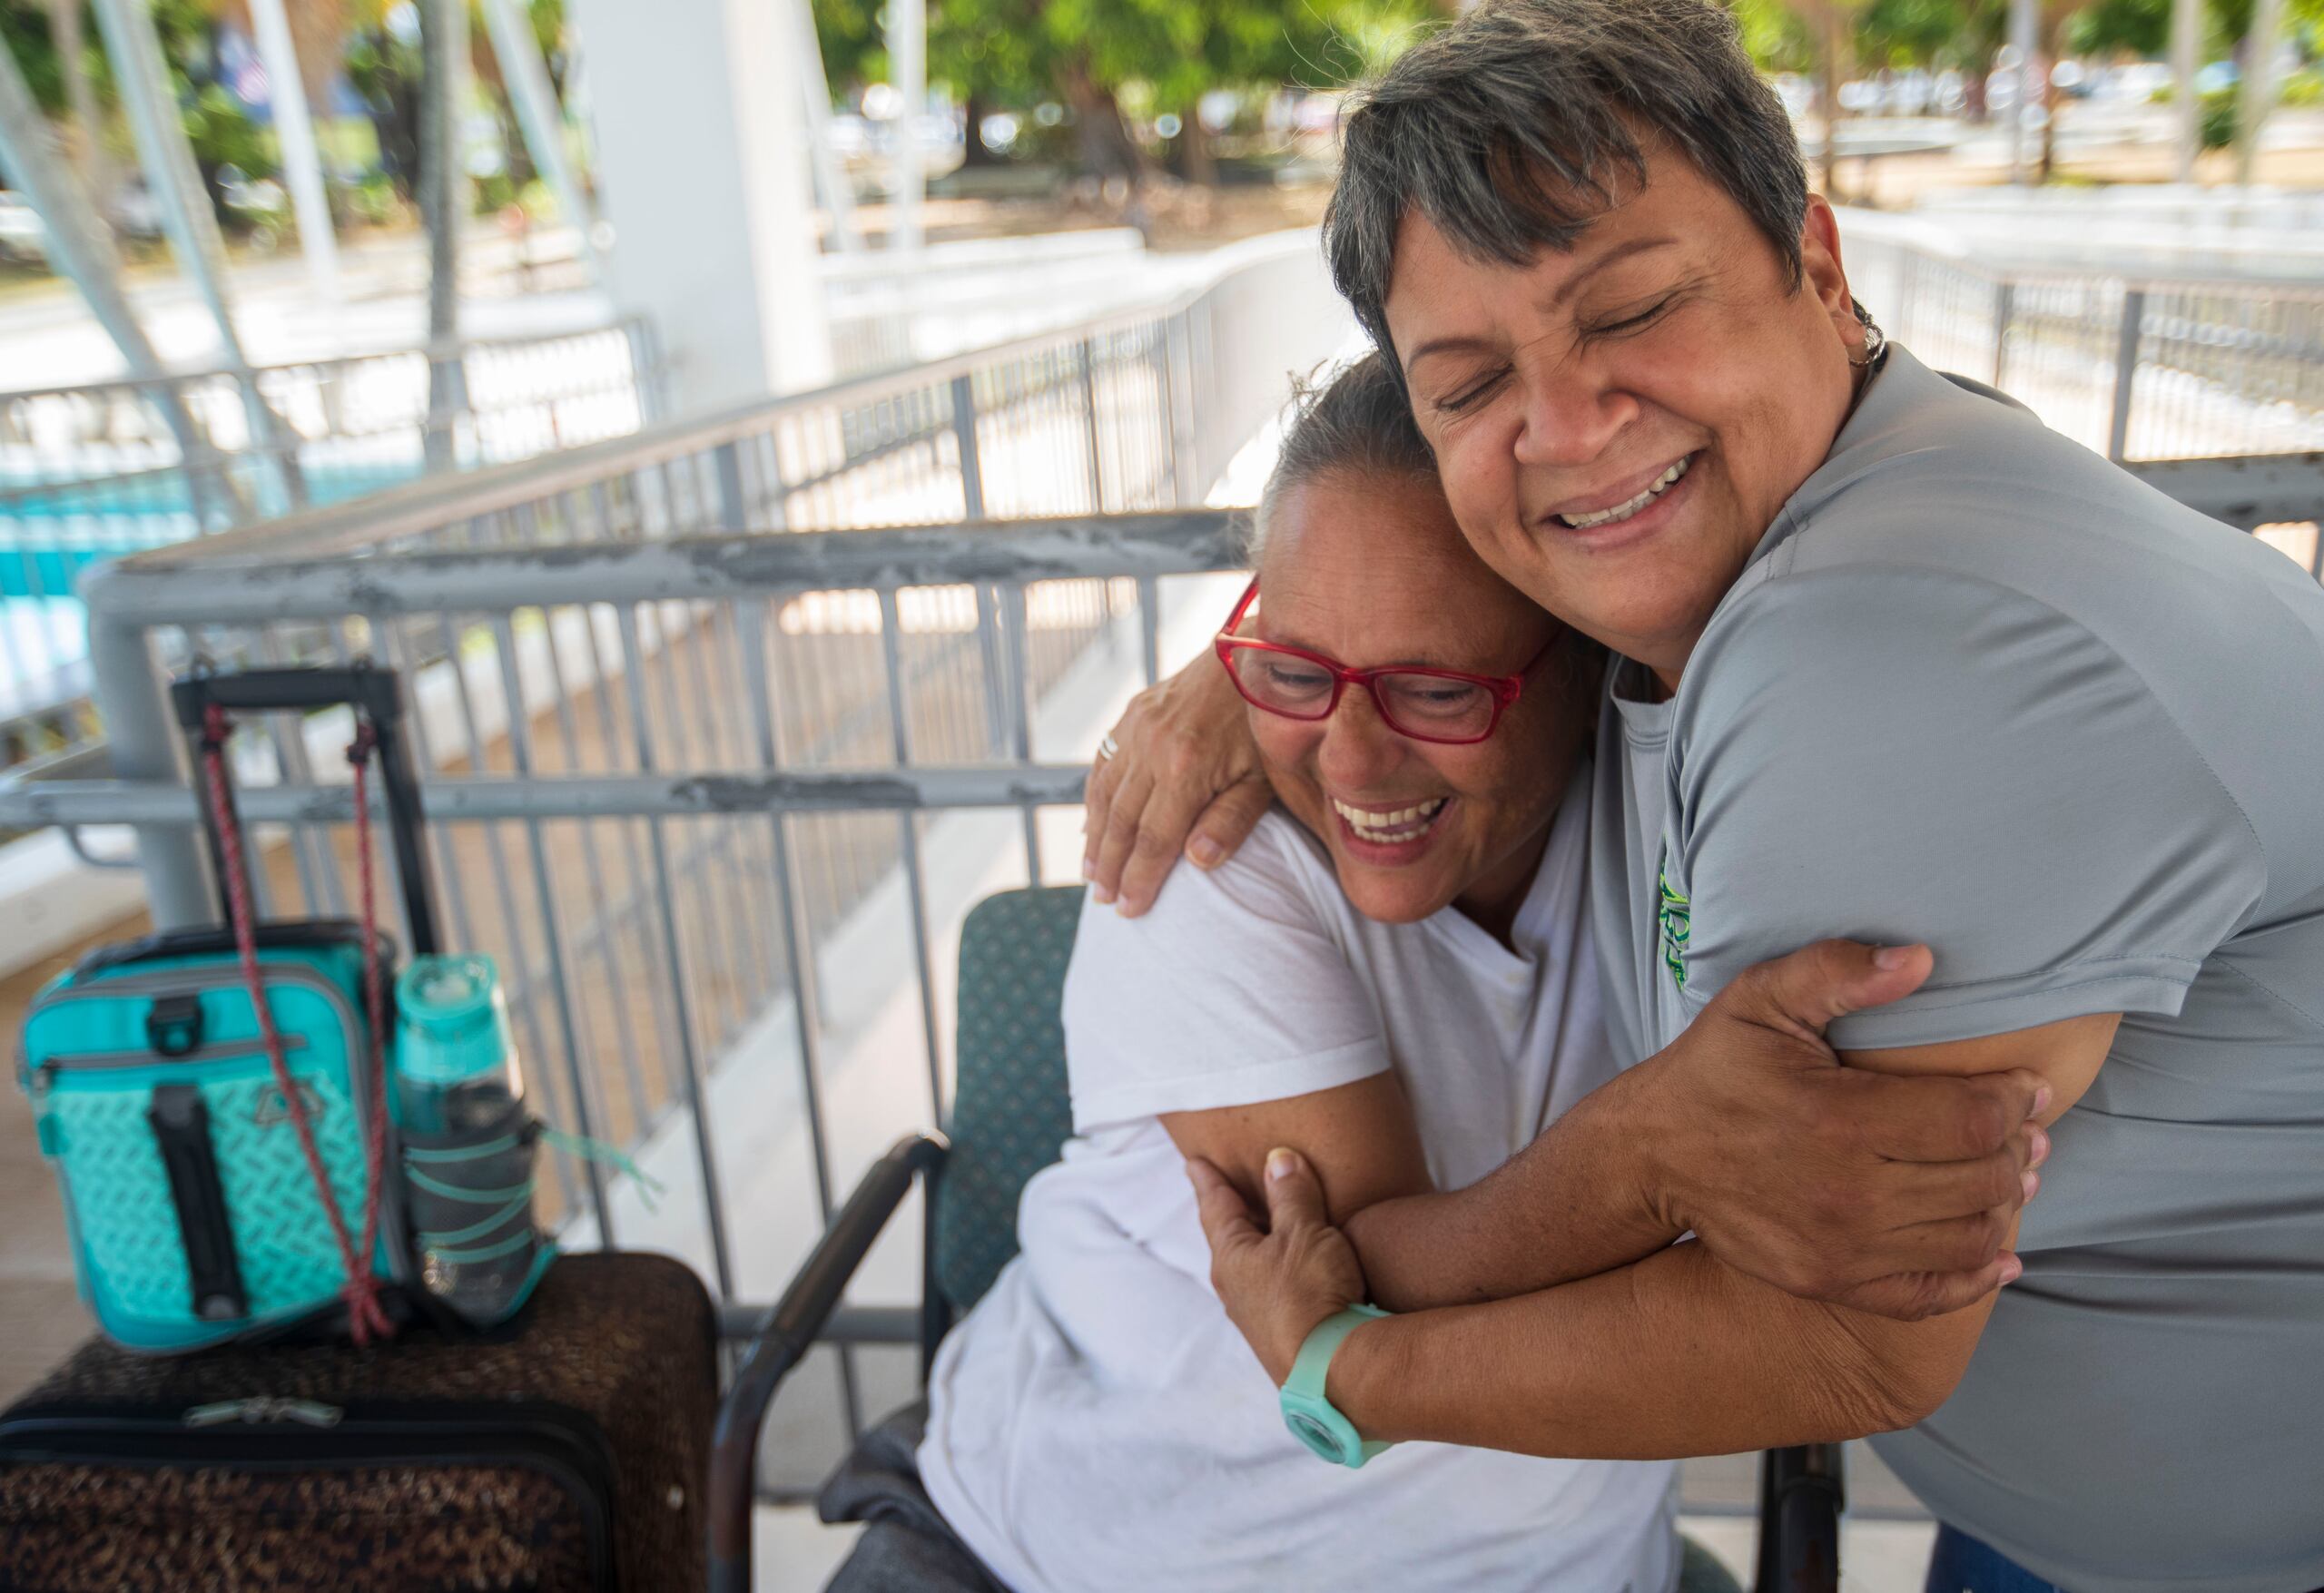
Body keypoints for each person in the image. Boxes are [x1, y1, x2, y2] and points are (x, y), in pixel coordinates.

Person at [1086, 4, 2324, 1591]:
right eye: (1469, 385)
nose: (1570, 424)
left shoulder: (1885, 646)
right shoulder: (1809, 518)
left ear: (1817, 260)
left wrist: (1348, 1373)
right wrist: (1268, 661)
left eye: (1636, 310)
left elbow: (1847, 1347)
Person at [817, 355, 2041, 1593]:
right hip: (1059, 1556)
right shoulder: (1208, 852)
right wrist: (1658, 1155)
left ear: (1588, 659)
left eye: (1435, 689)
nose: (1350, 760)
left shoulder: (1681, 823)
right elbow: (1377, 1307)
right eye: (1295, 670)